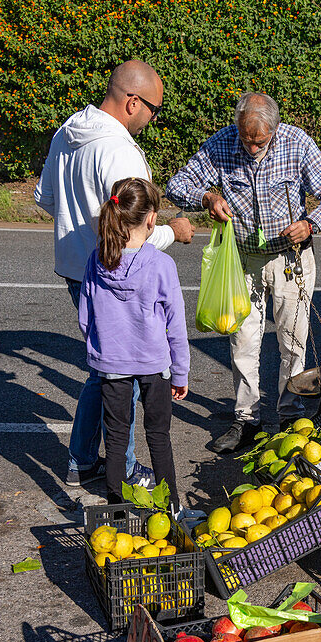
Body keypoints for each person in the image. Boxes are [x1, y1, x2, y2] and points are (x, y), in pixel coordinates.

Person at [34, 60, 193, 485]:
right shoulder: (119, 150)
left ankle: (82, 459)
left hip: (78, 266)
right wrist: (173, 232)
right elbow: (137, 230)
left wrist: (82, 226)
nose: (152, 121)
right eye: (154, 111)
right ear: (132, 102)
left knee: (104, 368)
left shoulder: (68, 132)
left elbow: (44, 197)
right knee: (127, 371)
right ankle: (120, 468)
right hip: (121, 271)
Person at [166, 91, 321, 453]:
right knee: (243, 342)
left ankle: (289, 416)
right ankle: (246, 419)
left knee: (293, 342)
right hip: (243, 261)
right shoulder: (222, 143)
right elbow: (177, 185)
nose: (252, 148)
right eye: (247, 140)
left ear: (276, 130)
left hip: (290, 258)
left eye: (260, 142)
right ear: (237, 128)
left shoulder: (297, 144)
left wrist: (311, 223)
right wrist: (208, 198)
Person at [78, 177, 188, 507]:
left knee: (115, 439)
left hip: (111, 366)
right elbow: (176, 327)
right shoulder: (161, 265)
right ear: (151, 219)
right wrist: (180, 373)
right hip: (155, 365)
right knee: (159, 437)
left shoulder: (97, 261)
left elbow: (86, 316)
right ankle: (172, 507)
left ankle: (116, 507)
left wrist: (100, 350)